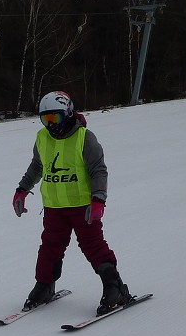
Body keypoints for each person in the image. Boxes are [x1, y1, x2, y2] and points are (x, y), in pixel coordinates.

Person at [12, 91, 131, 315]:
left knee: (93, 246)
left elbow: (99, 170)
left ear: (67, 114)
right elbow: (37, 166)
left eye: (54, 119)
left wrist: (98, 200)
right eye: (45, 119)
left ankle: (115, 288)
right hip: (54, 208)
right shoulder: (42, 138)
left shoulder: (84, 138)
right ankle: (44, 286)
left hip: (82, 207)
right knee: (49, 248)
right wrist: (22, 190)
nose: (50, 125)